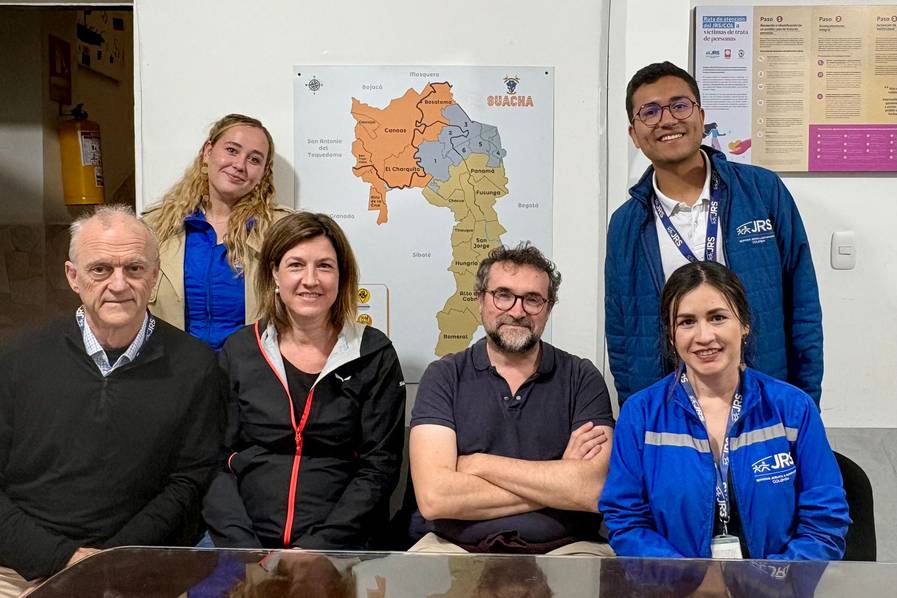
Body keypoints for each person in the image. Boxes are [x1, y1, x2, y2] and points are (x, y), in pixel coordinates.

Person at [0, 206, 222, 596]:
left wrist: (106, 564)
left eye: (134, 268)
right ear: (73, 277)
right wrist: (62, 559)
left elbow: (189, 486)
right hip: (5, 570)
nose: (118, 284)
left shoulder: (194, 364)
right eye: (100, 269)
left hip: (131, 568)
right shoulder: (17, 355)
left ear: (154, 276)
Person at [605, 61, 822, 406]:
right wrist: (638, 414)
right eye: (650, 111)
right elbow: (621, 330)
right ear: (634, 133)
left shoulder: (762, 192)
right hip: (674, 406)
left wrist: (804, 403)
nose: (667, 119)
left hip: (763, 397)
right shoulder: (626, 223)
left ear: (701, 116)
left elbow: (803, 303)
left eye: (679, 105)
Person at [599, 261, 849, 560]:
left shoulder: (793, 409)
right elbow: (625, 521)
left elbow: (825, 522)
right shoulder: (640, 415)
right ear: (671, 335)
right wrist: (687, 581)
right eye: (686, 322)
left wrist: (769, 582)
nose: (704, 336)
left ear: (744, 323)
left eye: (717, 317)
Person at [203, 211, 406, 549]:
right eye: (296, 265)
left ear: (342, 277)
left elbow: (379, 469)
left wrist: (318, 549)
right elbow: (213, 460)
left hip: (342, 547)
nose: (310, 280)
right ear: (275, 276)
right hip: (243, 542)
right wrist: (245, 550)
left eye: (324, 266)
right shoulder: (240, 350)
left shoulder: (374, 353)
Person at [409, 243, 615, 555]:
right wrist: (558, 478)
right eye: (503, 295)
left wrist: (478, 464)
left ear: (548, 307)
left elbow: (592, 491)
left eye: (533, 299)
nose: (517, 311)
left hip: (567, 548)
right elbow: (435, 498)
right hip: (453, 547)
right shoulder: (444, 376)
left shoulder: (582, 378)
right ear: (481, 300)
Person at [144, 113, 289, 350]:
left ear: (264, 171)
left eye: (254, 159)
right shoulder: (157, 226)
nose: (239, 165)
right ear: (208, 151)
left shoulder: (281, 231)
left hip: (250, 376)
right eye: (232, 150)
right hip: (175, 373)